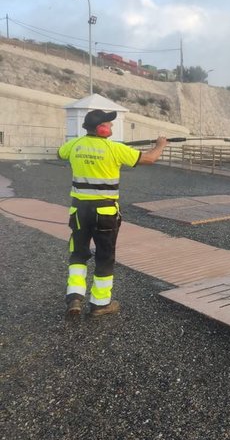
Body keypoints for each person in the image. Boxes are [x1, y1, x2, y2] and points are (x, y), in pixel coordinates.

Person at [57, 109, 167, 319]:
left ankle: (75, 297)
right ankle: (100, 304)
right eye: (109, 124)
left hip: (78, 210)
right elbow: (150, 158)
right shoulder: (115, 149)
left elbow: (60, 153)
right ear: (102, 128)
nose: (112, 127)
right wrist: (160, 144)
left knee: (78, 254)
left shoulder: (74, 145)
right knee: (104, 257)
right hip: (105, 212)